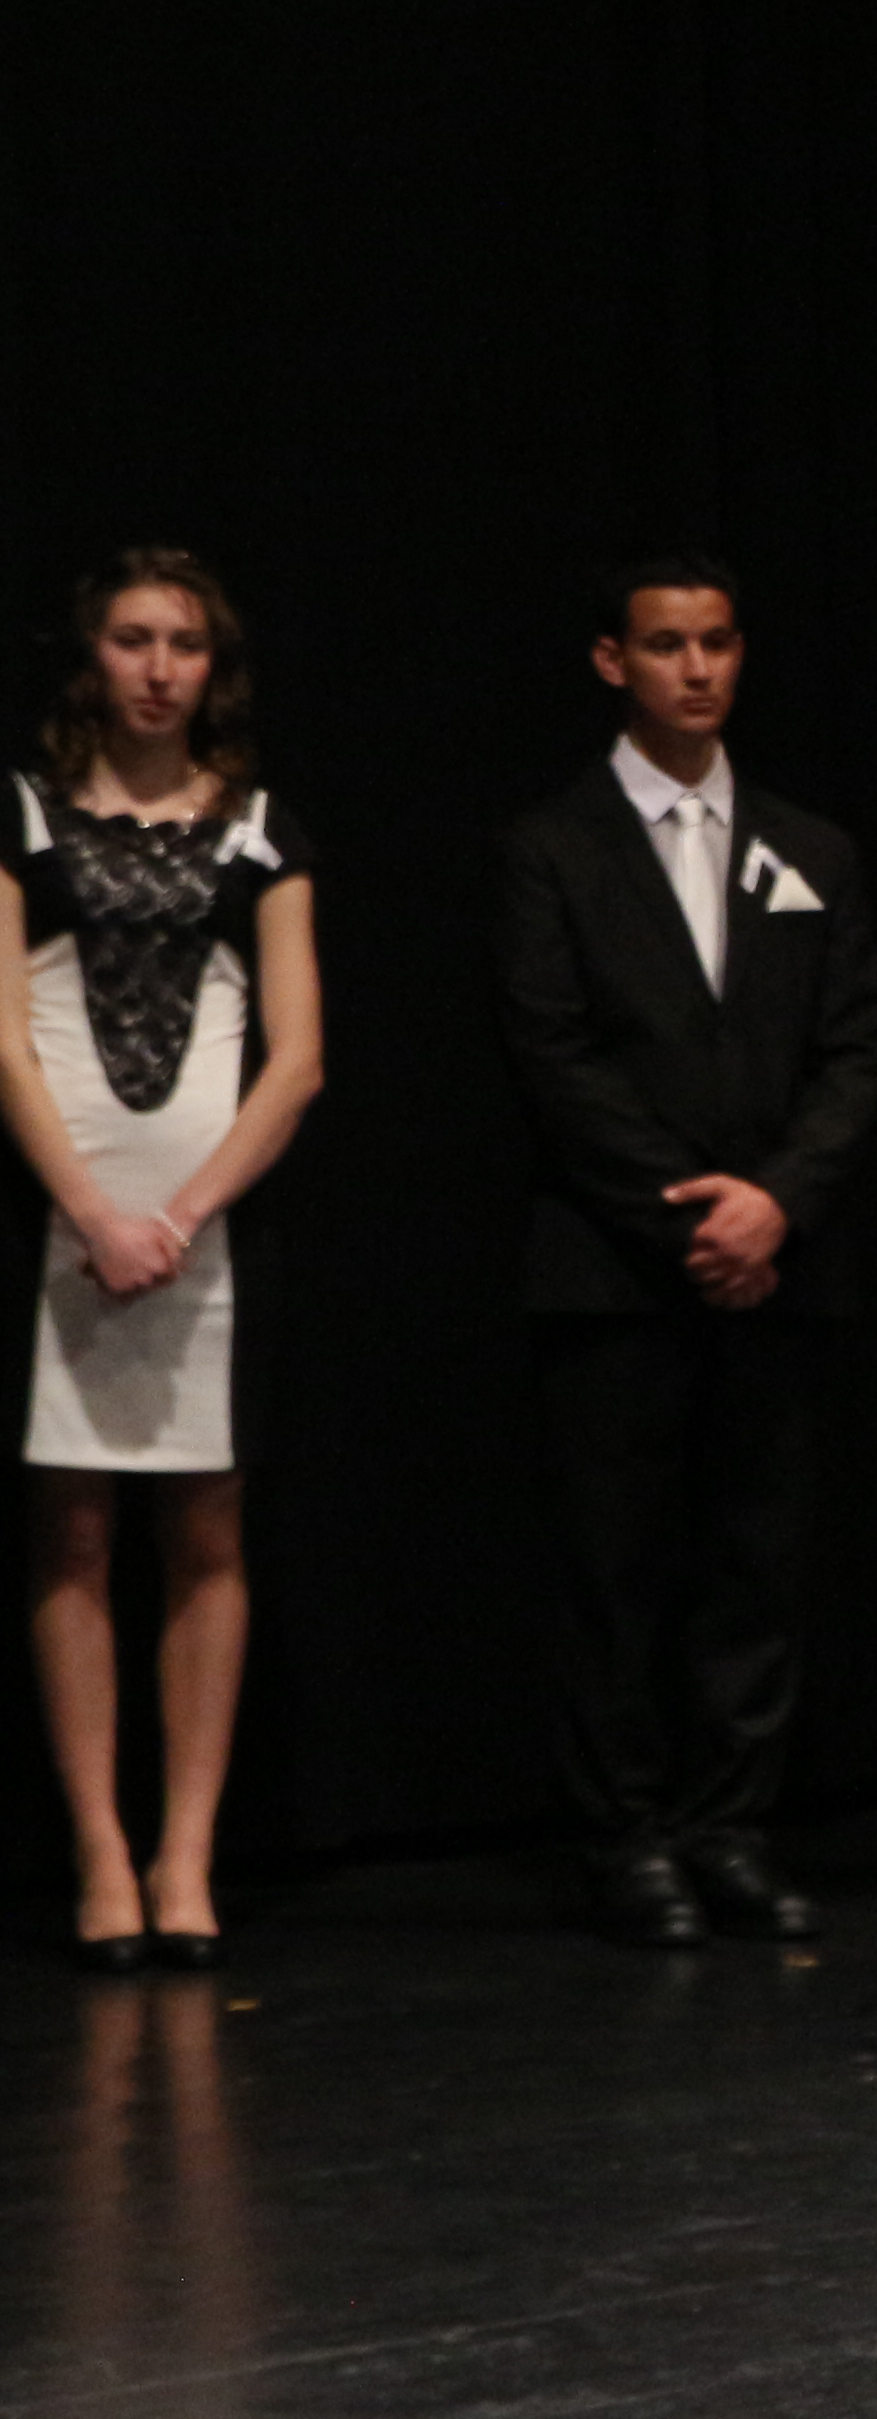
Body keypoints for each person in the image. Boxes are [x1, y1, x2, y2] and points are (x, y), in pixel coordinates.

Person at [494, 554, 877, 1947]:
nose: (698, 669)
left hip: (781, 1264)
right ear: (614, 661)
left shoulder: (811, 847)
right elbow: (555, 1056)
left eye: (717, 642)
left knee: (756, 1561)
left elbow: (858, 1045)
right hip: (615, 1271)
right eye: (667, 645)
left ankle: (731, 1825)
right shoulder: (553, 845)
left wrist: (778, 1202)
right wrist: (693, 1218)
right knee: (615, 1567)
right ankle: (625, 1836)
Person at [0, 551, 325, 1969]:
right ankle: (98, 1849)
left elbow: (299, 1059)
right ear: (92, 657)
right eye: (132, 640)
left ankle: (186, 1851)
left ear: (214, 667)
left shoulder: (259, 829)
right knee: (72, 1529)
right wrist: (91, 1211)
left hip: (209, 1229)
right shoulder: (23, 818)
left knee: (207, 1528)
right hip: (62, 1224)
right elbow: (2, 1039)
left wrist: (177, 1220)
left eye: (182, 644)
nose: (157, 668)